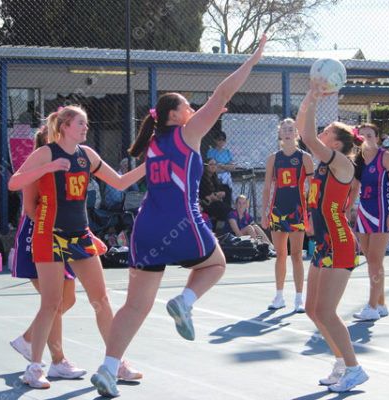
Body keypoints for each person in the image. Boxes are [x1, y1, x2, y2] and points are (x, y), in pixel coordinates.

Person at [91, 34, 267, 398]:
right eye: (188, 105)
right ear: (175, 114)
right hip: (181, 221)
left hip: (146, 227)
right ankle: (184, 302)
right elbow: (222, 92)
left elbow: (212, 106)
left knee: (135, 305)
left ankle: (108, 368)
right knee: (216, 265)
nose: (192, 108)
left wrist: (209, 113)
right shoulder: (187, 134)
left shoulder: (154, 144)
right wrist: (252, 61)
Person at [8, 105, 145, 389]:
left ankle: (116, 362)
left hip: (80, 235)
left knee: (101, 300)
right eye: (81, 123)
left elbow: (120, 183)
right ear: (65, 126)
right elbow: (13, 183)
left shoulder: (87, 155)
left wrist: (151, 164)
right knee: (51, 303)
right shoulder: (46, 153)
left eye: (86, 123)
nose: (86, 128)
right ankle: (34, 368)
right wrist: (47, 168)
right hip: (49, 234)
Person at [296, 76, 369, 393]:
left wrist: (314, 98)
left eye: (326, 132)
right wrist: (308, 98)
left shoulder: (341, 164)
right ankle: (341, 362)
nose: (320, 134)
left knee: (326, 311)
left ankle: (354, 369)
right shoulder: (324, 163)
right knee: (313, 310)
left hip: (339, 243)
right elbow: (304, 130)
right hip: (323, 244)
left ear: (336, 144)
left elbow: (307, 136)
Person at [260, 118, 313, 313]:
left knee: (297, 255)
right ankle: (279, 296)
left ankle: (299, 298)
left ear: (296, 134)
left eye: (291, 129)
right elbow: (267, 187)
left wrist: (312, 212)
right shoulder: (273, 158)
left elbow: (312, 186)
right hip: (278, 210)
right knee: (280, 254)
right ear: (280, 134)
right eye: (285, 129)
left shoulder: (304, 157)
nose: (288, 132)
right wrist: (264, 212)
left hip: (297, 210)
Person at [350, 123, 389, 321]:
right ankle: (381, 304)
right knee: (373, 260)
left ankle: (371, 307)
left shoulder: (385, 157)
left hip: (382, 213)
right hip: (364, 213)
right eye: (362, 135)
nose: (366, 139)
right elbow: (355, 188)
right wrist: (347, 208)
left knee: (374, 260)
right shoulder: (359, 160)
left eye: (370, 135)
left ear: (377, 138)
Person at [0, 150, 20, 230]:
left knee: (15, 199)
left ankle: (8, 222)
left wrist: (12, 190)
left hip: (5, 193)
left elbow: (11, 181)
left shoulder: (3, 170)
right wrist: (0, 192)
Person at [199, 157, 232, 228]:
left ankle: (227, 208)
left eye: (215, 164)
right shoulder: (202, 179)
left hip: (214, 201)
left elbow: (216, 191)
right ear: (205, 166)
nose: (214, 166)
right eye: (211, 164)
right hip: (205, 204)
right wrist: (214, 196)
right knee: (227, 210)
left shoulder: (214, 177)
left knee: (226, 188)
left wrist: (220, 194)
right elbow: (206, 196)